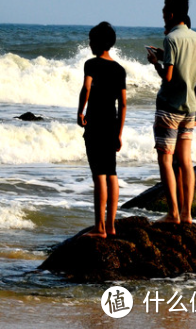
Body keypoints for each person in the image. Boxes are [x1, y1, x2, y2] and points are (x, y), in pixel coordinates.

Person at [146, 0, 196, 224]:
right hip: (190, 108)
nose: (162, 16)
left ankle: (172, 213)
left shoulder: (171, 38)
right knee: (186, 161)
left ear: (170, 14)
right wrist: (167, 58)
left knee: (165, 159)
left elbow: (169, 77)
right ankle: (187, 215)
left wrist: (156, 64)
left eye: (163, 12)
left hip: (169, 108)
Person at [77, 22, 127, 238]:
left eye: (91, 40)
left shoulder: (91, 64)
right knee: (112, 174)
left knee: (99, 174)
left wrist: (80, 111)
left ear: (97, 42)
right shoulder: (119, 69)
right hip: (111, 124)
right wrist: (119, 133)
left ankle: (99, 228)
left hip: (95, 123)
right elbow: (123, 103)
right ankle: (111, 225)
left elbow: (86, 87)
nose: (89, 44)